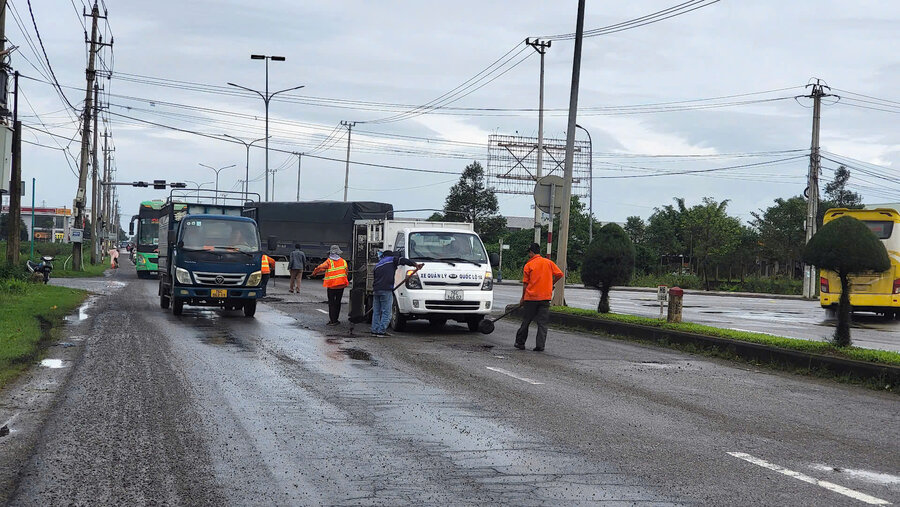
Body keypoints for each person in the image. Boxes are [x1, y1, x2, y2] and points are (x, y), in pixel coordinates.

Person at [516, 242, 563, 352]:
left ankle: (520, 343)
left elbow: (525, 284)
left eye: (529, 253)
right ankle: (540, 346)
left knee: (526, 321)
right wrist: (552, 283)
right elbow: (559, 274)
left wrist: (522, 298)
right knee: (542, 323)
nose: (529, 255)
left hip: (531, 298)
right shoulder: (548, 263)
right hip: (545, 298)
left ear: (531, 253)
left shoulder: (529, 265)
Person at [371, 250, 422, 336]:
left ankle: (374, 330)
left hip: (376, 290)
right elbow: (403, 260)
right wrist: (415, 264)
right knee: (387, 312)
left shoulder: (378, 264)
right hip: (386, 290)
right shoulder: (391, 259)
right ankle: (381, 331)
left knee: (376, 311)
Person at [311, 245, 349, 326]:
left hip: (332, 286)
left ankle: (333, 320)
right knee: (338, 303)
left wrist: (314, 273)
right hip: (341, 285)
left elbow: (320, 267)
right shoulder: (343, 261)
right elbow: (346, 272)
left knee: (331, 303)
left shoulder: (329, 261)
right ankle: (336, 319)